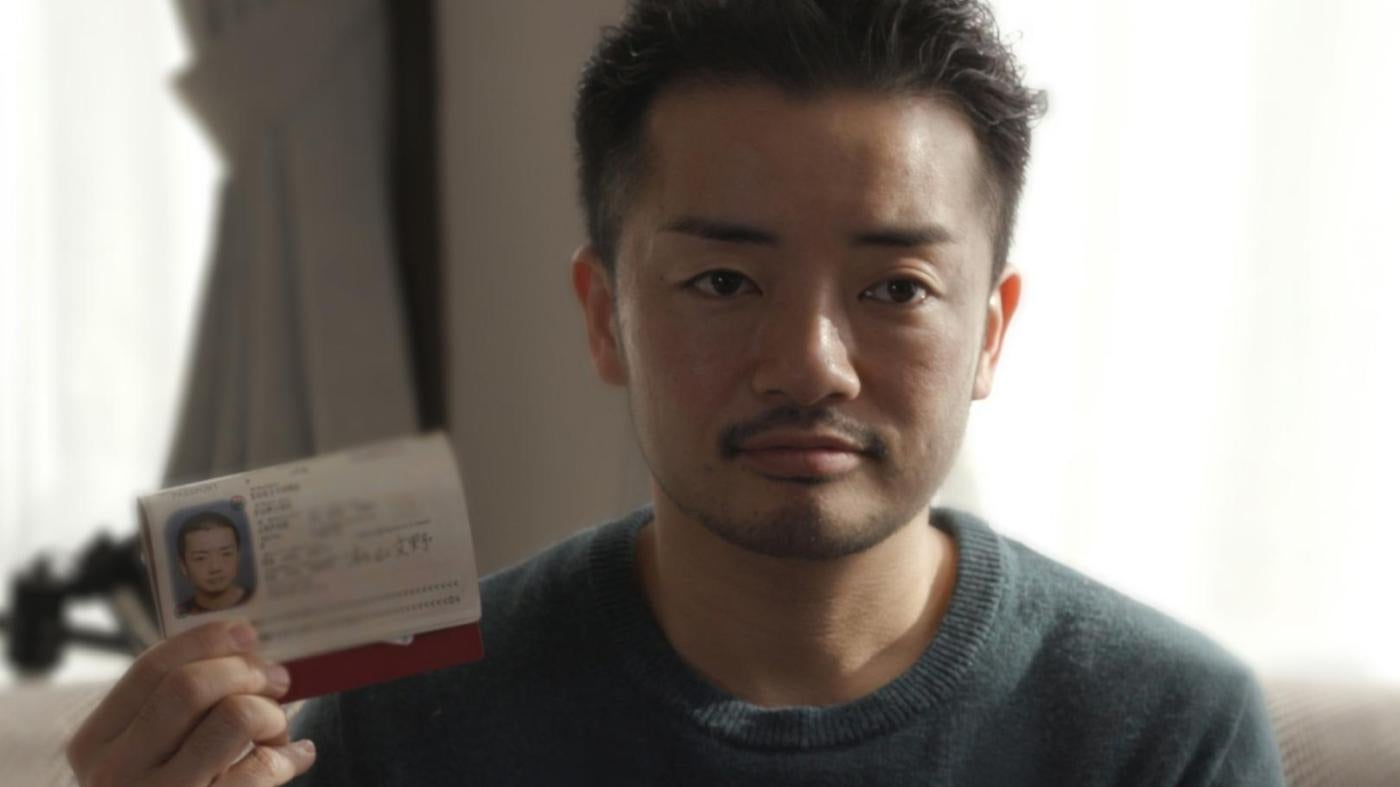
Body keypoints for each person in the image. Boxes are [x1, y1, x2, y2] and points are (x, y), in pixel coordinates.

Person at [66, 1, 1287, 784]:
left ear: (990, 332)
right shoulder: (391, 723)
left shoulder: (1161, 733)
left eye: (896, 287)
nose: (808, 363)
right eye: (720, 280)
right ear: (605, 314)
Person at [174, 511, 252, 617]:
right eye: (200, 558)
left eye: (226, 554)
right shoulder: (180, 614)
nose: (215, 567)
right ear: (183, 565)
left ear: (238, 556)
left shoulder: (258, 599)